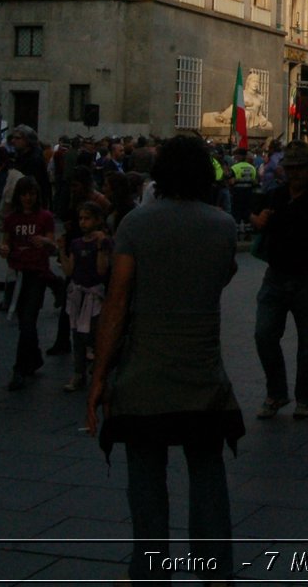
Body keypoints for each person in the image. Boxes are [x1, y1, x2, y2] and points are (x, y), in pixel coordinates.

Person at [87, 134, 243, 585]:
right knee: (208, 469)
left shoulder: (135, 225)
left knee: (147, 474)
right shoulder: (223, 226)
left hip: (144, 372)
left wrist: (99, 375)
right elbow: (222, 277)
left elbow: (116, 304)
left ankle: (150, 571)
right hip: (202, 370)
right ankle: (216, 572)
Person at [250, 140, 308, 420]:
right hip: (275, 277)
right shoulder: (276, 195)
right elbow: (254, 217)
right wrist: (258, 221)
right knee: (263, 335)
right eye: (290, 168)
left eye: (300, 168)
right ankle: (276, 393)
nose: (295, 174)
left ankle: (306, 399)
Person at [0, 176, 55, 388]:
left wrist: (46, 242)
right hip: (19, 273)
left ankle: (19, 368)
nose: (28, 198)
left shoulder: (45, 217)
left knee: (28, 319)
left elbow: (52, 244)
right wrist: (4, 250)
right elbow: (6, 244)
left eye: (31, 194)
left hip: (37, 274)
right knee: (24, 321)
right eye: (24, 194)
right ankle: (35, 356)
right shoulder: (12, 220)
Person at [62, 200, 111, 392]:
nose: (83, 222)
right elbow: (69, 270)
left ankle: (97, 372)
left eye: (87, 218)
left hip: (94, 295)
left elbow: (101, 270)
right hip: (79, 293)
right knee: (77, 336)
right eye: (81, 218)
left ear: (97, 220)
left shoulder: (104, 242)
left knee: (94, 336)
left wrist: (100, 246)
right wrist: (61, 250)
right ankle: (79, 373)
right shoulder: (76, 243)